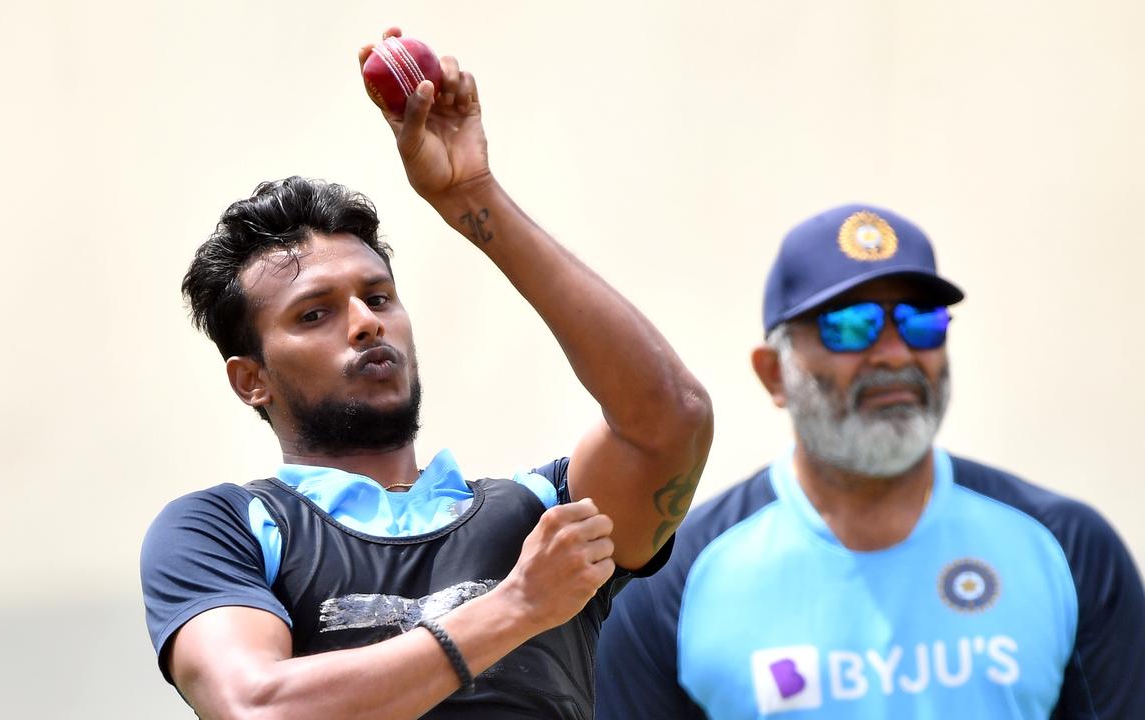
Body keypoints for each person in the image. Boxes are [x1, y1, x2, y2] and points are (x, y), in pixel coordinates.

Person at [138, 29, 713, 720]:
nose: (365, 323)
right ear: (250, 379)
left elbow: (669, 416)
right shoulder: (224, 528)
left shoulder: (541, 512)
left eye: (378, 298)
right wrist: (516, 607)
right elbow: (259, 708)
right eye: (315, 314)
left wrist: (475, 197)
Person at [594, 204, 1145, 718]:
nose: (895, 353)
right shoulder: (674, 579)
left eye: (920, 321)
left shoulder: (1067, 548)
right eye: (850, 326)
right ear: (773, 373)